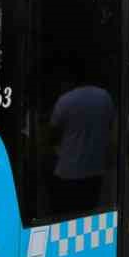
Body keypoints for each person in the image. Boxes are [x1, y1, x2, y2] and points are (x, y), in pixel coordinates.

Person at [49, 83, 115, 217]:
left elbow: (53, 129)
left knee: (66, 215)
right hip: (95, 169)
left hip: (68, 171)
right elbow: (110, 125)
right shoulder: (104, 97)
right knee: (88, 212)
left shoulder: (66, 100)